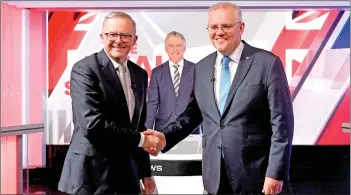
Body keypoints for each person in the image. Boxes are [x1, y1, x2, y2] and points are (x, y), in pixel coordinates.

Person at [143, 2, 294, 195]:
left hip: (257, 176)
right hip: (214, 177)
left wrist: (276, 173)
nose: (219, 32)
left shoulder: (267, 63)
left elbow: (282, 125)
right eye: (213, 27)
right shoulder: (201, 68)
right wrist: (165, 137)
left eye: (226, 26)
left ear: (241, 27)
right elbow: (193, 114)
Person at [58, 12, 165, 194]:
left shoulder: (139, 74)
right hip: (90, 176)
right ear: (102, 37)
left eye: (125, 35)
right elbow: (93, 126)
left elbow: (138, 126)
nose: (118, 40)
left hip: (126, 174)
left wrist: (145, 172)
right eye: (112, 34)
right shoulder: (85, 70)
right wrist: (143, 140)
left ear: (134, 39)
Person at [146, 31, 201, 135]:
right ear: (166, 48)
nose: (175, 49)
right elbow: (152, 103)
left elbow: (202, 102)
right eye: (171, 46)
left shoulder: (196, 69)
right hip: (162, 130)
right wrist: (147, 131)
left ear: (184, 48)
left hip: (190, 130)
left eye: (179, 45)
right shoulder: (157, 72)